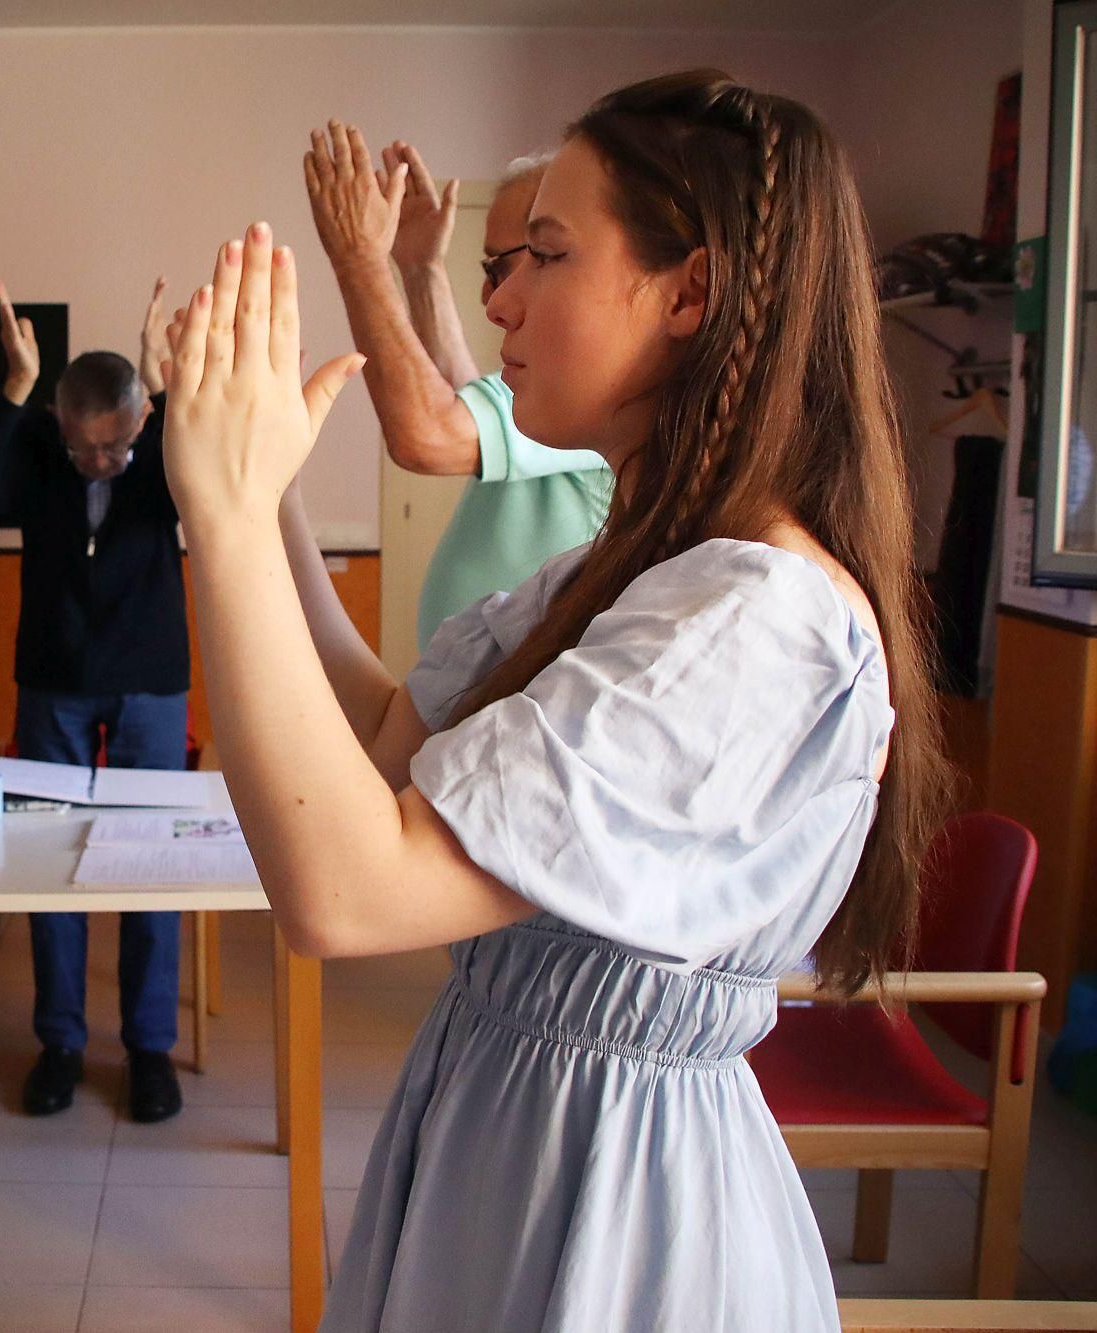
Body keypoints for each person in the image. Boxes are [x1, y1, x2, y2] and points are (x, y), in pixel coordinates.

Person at [159, 70, 947, 1331]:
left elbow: (345, 887)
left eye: (545, 253)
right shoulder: (633, 563)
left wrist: (231, 512)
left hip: (613, 1198)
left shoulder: (752, 619)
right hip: (509, 1136)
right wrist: (260, 497)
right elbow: (378, 743)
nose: (502, 299)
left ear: (689, 290)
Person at [0, 278, 189, 1124]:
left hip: (151, 676)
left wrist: (172, 385)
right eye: (86, 449)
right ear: (59, 422)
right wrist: (14, 387)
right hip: (52, 678)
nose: (101, 464)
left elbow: (217, 490)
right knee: (50, 858)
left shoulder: (160, 448)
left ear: (138, 422)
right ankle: (62, 1041)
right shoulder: (35, 451)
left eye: (115, 447)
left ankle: (150, 1048)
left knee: (153, 859)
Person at [305, 127, 612, 648]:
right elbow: (464, 404)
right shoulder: (553, 401)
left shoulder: (602, 385)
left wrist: (360, 258)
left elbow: (429, 433)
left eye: (510, 261)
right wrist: (420, 268)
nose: (490, 297)